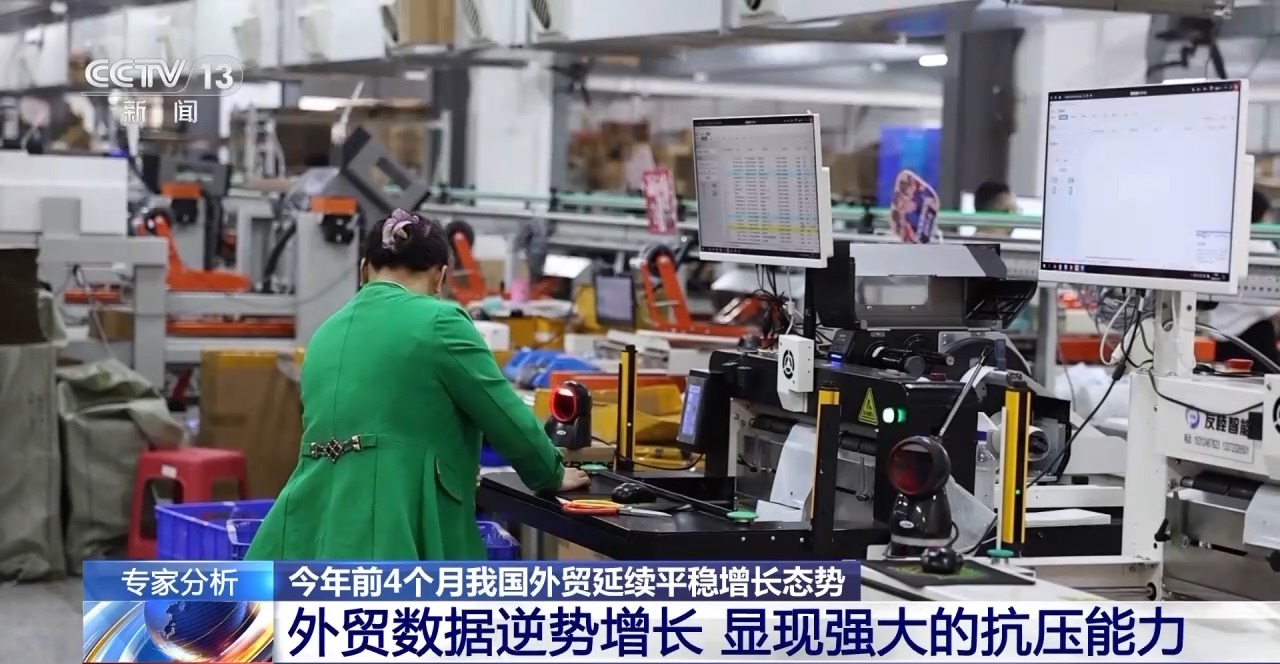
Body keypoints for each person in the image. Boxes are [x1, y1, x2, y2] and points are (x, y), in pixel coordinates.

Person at [245, 209, 590, 561]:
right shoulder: (440, 321)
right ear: (440, 277)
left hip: (307, 532)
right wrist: (550, 472)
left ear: (364, 270)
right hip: (392, 528)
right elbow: (503, 413)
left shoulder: (324, 334)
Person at [1209, 189, 1280, 369]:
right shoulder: (1262, 246)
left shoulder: (1224, 243)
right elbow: (1272, 307)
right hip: (1254, 339)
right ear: (1261, 213)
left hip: (1222, 337)